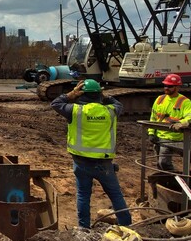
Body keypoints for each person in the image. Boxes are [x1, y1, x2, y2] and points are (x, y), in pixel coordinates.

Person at [51, 79, 132, 228]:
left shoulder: (75, 111)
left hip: (81, 162)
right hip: (104, 164)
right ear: (98, 94)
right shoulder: (111, 111)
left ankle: (84, 228)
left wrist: (71, 94)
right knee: (115, 195)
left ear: (82, 94)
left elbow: (55, 103)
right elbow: (118, 103)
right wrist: (104, 96)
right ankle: (126, 226)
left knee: (83, 195)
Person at [147, 73, 191, 171]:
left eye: (170, 86)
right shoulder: (160, 99)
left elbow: (190, 117)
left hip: (172, 137)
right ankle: (167, 180)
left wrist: (180, 123)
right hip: (159, 136)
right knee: (159, 164)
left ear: (177, 87)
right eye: (165, 85)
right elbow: (153, 118)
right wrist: (151, 133)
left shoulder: (184, 101)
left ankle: (175, 180)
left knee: (163, 162)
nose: (166, 88)